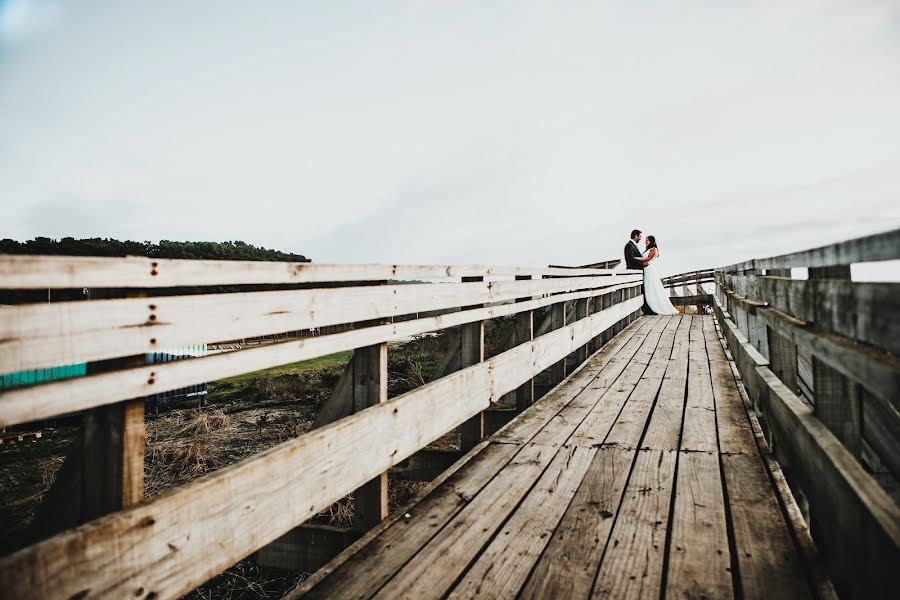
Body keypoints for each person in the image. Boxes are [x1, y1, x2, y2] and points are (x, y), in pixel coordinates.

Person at [640, 235, 679, 315]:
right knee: (648, 288)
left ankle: (656, 307)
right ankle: (649, 306)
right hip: (646, 270)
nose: (645, 241)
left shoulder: (653, 249)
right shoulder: (647, 250)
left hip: (650, 270)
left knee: (651, 288)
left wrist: (637, 259)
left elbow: (648, 259)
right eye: (645, 240)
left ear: (651, 241)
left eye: (647, 240)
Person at [623, 229, 656, 315]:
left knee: (642, 291)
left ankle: (646, 309)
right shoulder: (629, 245)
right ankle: (646, 310)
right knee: (640, 291)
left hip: (638, 273)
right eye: (640, 236)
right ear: (636, 236)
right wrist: (642, 265)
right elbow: (630, 260)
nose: (641, 239)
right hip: (634, 272)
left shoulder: (632, 245)